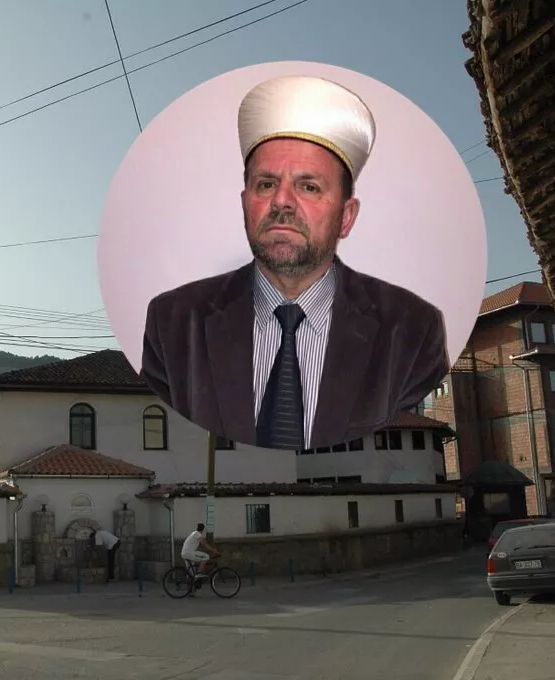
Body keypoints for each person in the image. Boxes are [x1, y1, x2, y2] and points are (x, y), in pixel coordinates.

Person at [140, 74, 449, 452]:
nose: (282, 202)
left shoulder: (412, 331)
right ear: (245, 204)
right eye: (266, 184)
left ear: (346, 217)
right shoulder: (174, 325)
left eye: (308, 186)